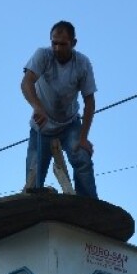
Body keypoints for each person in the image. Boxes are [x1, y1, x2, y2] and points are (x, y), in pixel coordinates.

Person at [21, 19, 98, 199]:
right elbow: (26, 82)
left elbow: (90, 101)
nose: (57, 48)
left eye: (62, 44)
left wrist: (84, 137)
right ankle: (33, 211)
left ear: (73, 43)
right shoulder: (42, 56)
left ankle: (88, 205)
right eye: (54, 43)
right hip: (41, 127)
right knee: (34, 175)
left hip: (69, 125)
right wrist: (37, 107)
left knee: (82, 160)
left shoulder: (82, 64)